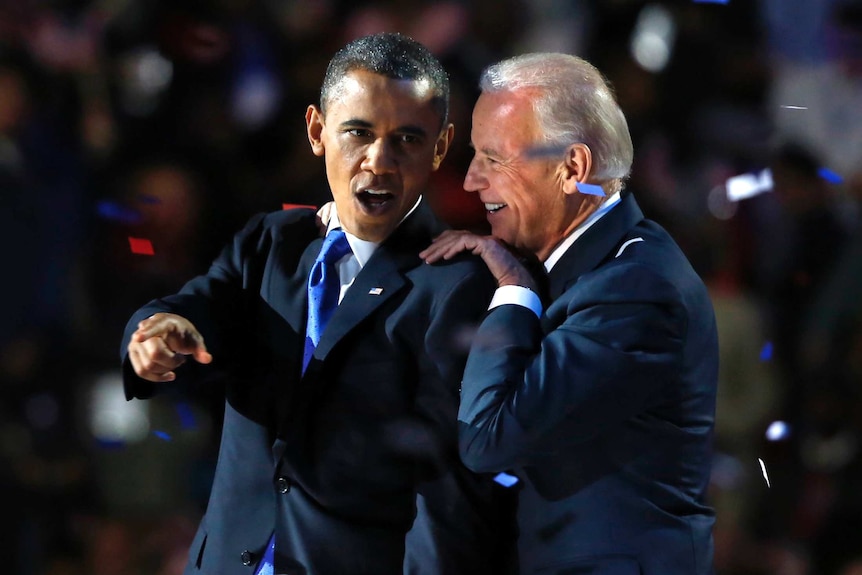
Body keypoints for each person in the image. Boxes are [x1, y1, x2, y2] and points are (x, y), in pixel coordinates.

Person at [121, 32, 515, 575]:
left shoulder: (457, 286)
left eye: (407, 139)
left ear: (442, 147)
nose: (379, 161)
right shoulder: (269, 245)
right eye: (358, 132)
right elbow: (196, 309)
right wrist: (157, 332)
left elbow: (445, 488)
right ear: (316, 131)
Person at [420, 52, 719, 575]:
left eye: (494, 158)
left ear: (572, 168)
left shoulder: (634, 288)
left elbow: (488, 436)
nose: (470, 180)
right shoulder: (588, 265)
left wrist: (513, 290)